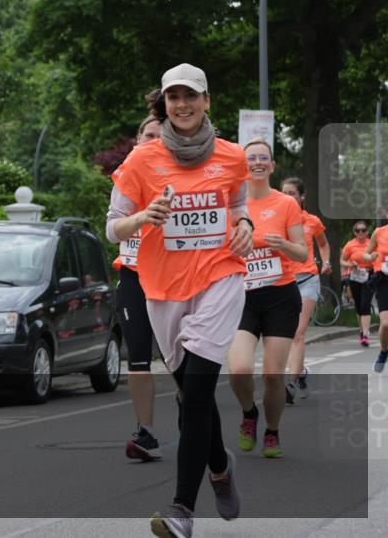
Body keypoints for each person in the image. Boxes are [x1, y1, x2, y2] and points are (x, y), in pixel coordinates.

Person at [107, 63, 252, 538]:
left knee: (199, 392)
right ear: (164, 103)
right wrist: (142, 217)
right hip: (163, 289)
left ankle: (181, 509)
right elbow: (113, 227)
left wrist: (246, 225)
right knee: (192, 393)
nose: (183, 104)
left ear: (207, 101)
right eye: (174, 97)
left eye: (191, 96)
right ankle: (220, 469)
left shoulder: (232, 156)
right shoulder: (142, 160)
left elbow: (238, 206)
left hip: (220, 277)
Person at [226, 140, 307, 460]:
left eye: (263, 158)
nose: (257, 162)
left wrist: (283, 245)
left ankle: (272, 432)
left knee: (273, 375)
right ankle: (249, 413)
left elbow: (302, 253)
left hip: (280, 296)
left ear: (272, 166)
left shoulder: (286, 204)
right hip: (240, 296)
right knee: (239, 369)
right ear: (242, 166)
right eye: (251, 158)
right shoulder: (231, 204)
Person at [113, 111, 165, 461]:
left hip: (173, 278)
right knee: (138, 357)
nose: (155, 142)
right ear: (137, 140)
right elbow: (114, 225)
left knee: (181, 358)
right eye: (149, 135)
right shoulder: (125, 175)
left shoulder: (180, 175)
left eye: (161, 136)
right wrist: (140, 218)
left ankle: (193, 417)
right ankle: (146, 432)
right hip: (134, 274)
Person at [279, 177, 331, 402]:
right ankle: (300, 372)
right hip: (283, 281)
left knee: (298, 333)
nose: (287, 197)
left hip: (308, 279)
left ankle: (290, 384)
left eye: (292, 193)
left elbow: (323, 243)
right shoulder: (275, 218)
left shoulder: (312, 221)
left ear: (301, 197)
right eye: (284, 193)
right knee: (283, 335)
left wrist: (326, 262)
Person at [341, 221, 375, 346]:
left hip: (368, 275)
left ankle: (365, 334)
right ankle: (361, 330)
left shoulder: (371, 244)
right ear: (355, 232)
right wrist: (350, 264)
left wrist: (373, 263)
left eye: (363, 230)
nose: (360, 232)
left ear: (367, 232)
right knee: (359, 305)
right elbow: (342, 260)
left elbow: (378, 258)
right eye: (358, 230)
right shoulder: (350, 245)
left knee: (365, 304)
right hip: (354, 276)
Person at [362, 209, 388, 372]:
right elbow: (365, 254)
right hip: (384, 280)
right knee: (385, 323)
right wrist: (370, 257)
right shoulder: (379, 232)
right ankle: (384, 352)